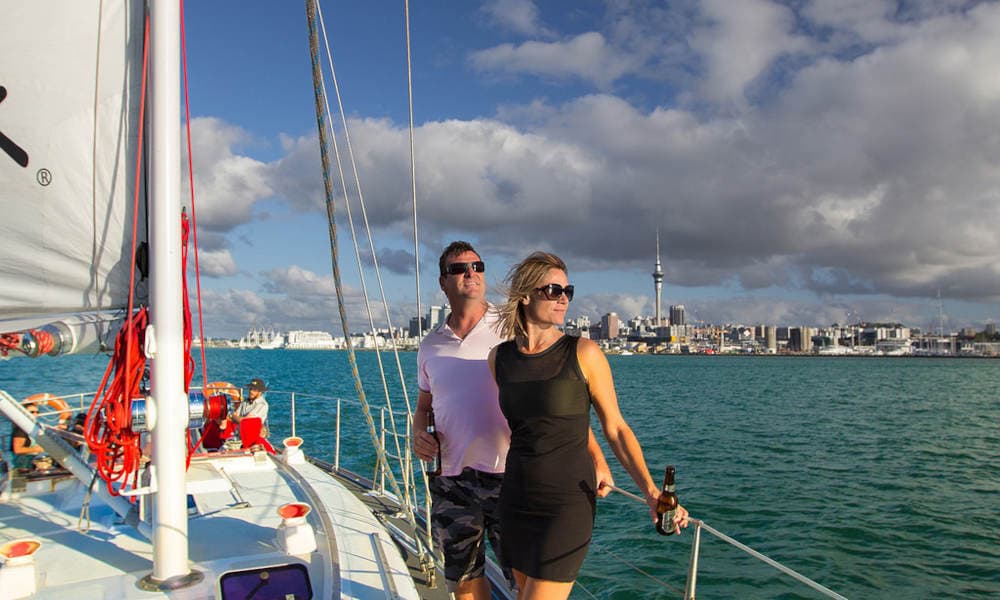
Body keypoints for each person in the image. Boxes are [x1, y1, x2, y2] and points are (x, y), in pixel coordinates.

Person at [412, 241, 613, 600]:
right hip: (451, 477)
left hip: (511, 476)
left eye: (478, 266)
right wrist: (417, 431)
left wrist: (596, 458)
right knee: (464, 581)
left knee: (523, 583)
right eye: (459, 269)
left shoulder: (511, 329)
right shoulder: (430, 344)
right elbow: (425, 402)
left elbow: (557, 405)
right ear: (443, 282)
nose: (471, 273)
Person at [488, 251, 689, 600]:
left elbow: (616, 428)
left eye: (568, 291)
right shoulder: (500, 359)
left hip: (567, 503)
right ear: (525, 295)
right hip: (515, 498)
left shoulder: (583, 353)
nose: (563, 298)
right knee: (521, 593)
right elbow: (544, 422)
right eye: (553, 290)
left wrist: (651, 492)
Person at [10, 402, 44, 470]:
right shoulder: (21, 429)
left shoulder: (35, 426)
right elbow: (17, 449)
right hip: (22, 464)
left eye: (37, 412)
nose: (35, 414)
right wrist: (37, 449)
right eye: (32, 412)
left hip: (32, 459)